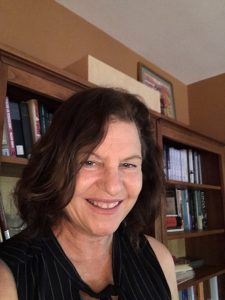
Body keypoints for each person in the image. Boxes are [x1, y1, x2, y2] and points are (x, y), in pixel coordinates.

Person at [0, 87, 178, 300]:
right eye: (89, 162)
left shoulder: (159, 258)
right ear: (53, 167)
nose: (113, 187)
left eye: (129, 164)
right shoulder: (8, 277)